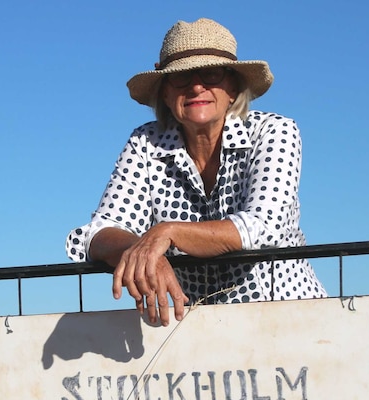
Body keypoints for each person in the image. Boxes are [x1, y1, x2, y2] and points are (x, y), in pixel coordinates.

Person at [66, 18, 326, 326]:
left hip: (286, 318)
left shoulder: (274, 132)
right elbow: (98, 233)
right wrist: (146, 253)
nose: (196, 85)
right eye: (181, 76)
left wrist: (167, 233)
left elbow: (262, 228)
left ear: (233, 88)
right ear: (164, 93)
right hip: (189, 332)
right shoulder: (145, 143)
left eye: (211, 73)